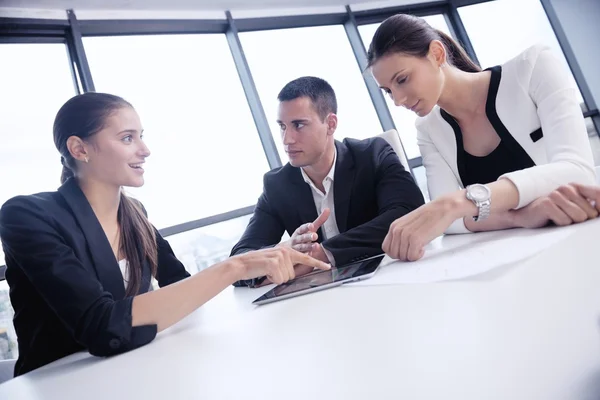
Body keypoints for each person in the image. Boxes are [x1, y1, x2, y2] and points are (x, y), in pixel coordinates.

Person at [0, 93, 330, 376]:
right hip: (60, 383)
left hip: (137, 370)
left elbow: (178, 287)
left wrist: (265, 269)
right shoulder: (27, 216)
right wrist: (237, 266)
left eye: (141, 136)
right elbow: (102, 326)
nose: (144, 149)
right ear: (79, 148)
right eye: (128, 138)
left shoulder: (135, 214)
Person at [366, 13, 599, 261]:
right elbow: (449, 223)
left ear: (436, 54)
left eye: (402, 80)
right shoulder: (428, 129)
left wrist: (458, 202)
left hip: (581, 236)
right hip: (513, 257)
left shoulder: (533, 67)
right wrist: (520, 216)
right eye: (389, 91)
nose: (398, 100)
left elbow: (577, 170)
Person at [230, 76, 424, 287]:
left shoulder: (372, 155)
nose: (287, 140)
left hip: (394, 282)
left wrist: (321, 254)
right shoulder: (277, 186)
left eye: (298, 125)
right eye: (282, 126)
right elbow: (240, 258)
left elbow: (409, 212)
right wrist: (283, 253)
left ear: (330, 124)